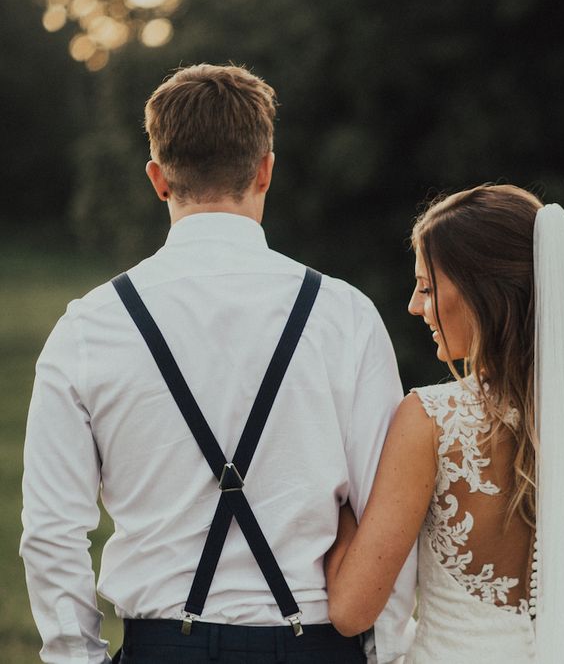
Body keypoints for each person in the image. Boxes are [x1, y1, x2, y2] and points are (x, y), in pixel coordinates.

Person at [20, 64, 416, 664]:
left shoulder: (89, 327)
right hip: (315, 647)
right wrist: (386, 652)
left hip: (160, 647)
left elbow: (50, 532)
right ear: (265, 169)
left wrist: (77, 657)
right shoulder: (345, 316)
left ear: (157, 179)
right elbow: (386, 518)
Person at [324, 185, 564, 663]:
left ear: (481, 291)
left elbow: (350, 610)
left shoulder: (431, 422)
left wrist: (334, 502)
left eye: (427, 287)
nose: (414, 305)